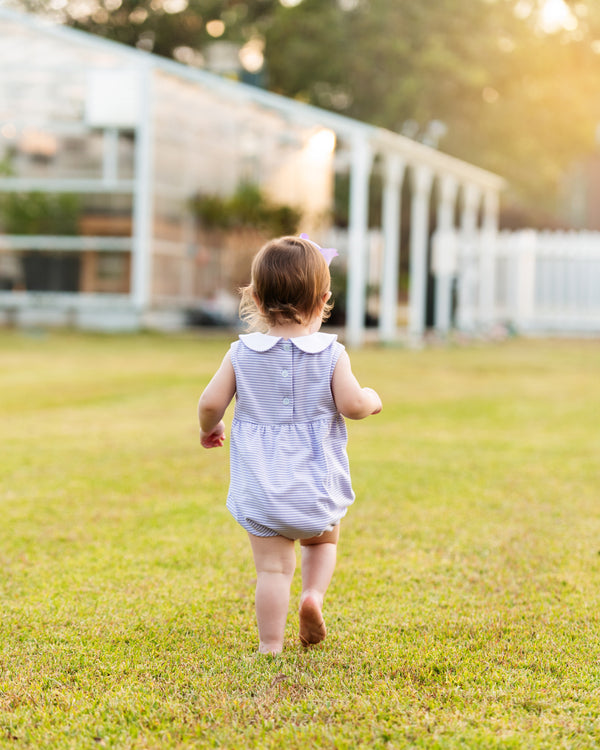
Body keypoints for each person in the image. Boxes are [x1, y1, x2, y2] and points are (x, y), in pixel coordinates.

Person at [198, 234, 382, 655]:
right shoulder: (332, 354)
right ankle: (313, 595)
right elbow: (353, 405)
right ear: (323, 299)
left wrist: (210, 427)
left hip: (261, 492)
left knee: (273, 570)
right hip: (317, 488)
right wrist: (372, 399)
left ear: (257, 299)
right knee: (322, 542)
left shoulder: (240, 354)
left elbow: (210, 402)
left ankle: (270, 645)